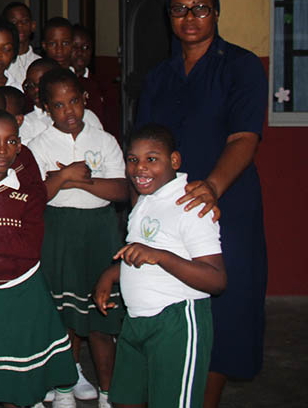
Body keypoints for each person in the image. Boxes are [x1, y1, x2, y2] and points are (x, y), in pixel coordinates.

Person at [134, 0, 267, 407]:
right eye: (180, 9)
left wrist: (212, 186)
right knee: (167, 297)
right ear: (169, 17)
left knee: (225, 304)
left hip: (226, 199)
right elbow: (145, 148)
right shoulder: (159, 76)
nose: (190, 18)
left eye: (200, 8)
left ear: (216, 13)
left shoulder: (241, 65)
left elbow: (244, 137)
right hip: (166, 204)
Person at [94, 123, 226, 408]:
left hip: (177, 321)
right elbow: (141, 256)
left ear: (174, 161)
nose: (140, 168)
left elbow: (216, 280)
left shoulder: (190, 206)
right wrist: (111, 275)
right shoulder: (145, 200)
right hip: (137, 321)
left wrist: (162, 256)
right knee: (124, 400)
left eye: (151, 159)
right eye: (133, 160)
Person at [28, 68, 129, 408]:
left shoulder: (104, 141)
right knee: (65, 319)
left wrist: (69, 180)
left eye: (74, 101)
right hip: (59, 232)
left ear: (85, 99)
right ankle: (65, 388)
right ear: (45, 107)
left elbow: (119, 190)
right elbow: (36, 195)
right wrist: (69, 175)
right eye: (58, 105)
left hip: (100, 231)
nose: (68, 111)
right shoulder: (38, 145)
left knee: (101, 321)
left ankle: (106, 392)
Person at [0, 111, 76, 407]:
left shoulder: (25, 186)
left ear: (19, 145)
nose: (2, 149)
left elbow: (30, 245)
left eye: (10, 141)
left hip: (23, 288)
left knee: (18, 377)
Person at [2, 2, 41, 86]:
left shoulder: (40, 63)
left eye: (24, 21)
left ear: (33, 26)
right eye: (13, 22)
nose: (19, 25)